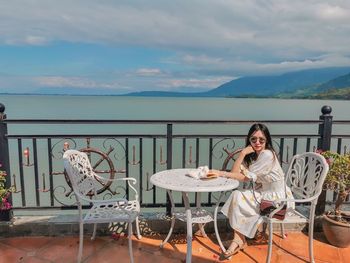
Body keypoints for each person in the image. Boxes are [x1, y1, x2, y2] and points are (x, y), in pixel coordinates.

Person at [209, 123, 293, 258]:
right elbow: (235, 172)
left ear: (267, 140)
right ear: (249, 140)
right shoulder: (255, 155)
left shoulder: (267, 154)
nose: (257, 142)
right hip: (264, 194)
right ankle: (239, 239)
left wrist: (219, 173)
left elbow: (243, 178)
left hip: (277, 200)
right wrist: (243, 153)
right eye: (253, 139)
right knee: (237, 196)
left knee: (238, 198)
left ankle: (238, 240)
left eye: (261, 139)